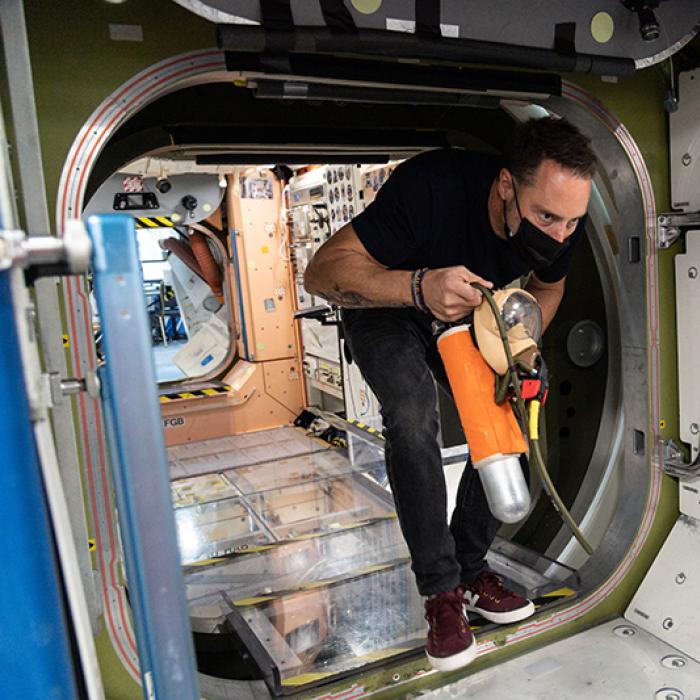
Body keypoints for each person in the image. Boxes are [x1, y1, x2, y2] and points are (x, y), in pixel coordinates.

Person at [304, 116, 595, 672]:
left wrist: (524, 347)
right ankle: (440, 594)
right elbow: (321, 272)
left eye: (571, 222)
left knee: (516, 405)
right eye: (546, 217)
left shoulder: (562, 226)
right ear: (508, 186)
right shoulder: (431, 188)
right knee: (413, 417)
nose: (559, 234)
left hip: (469, 313)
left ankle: (468, 570)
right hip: (387, 305)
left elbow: (549, 285)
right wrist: (418, 285)